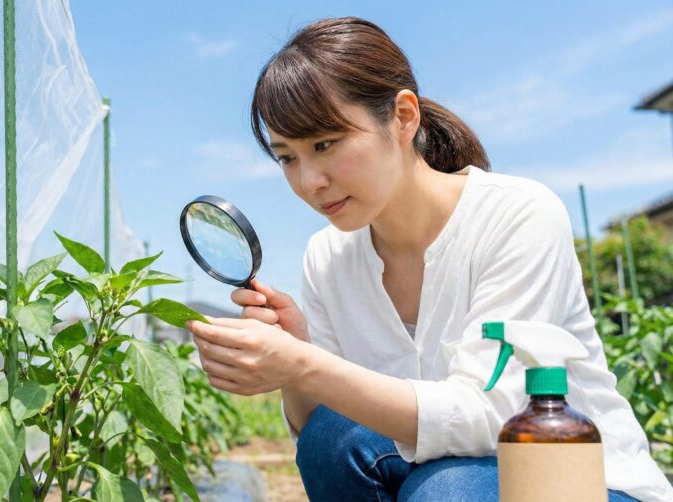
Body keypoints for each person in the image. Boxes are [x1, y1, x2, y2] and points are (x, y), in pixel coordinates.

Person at [183, 16, 672, 502]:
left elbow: (492, 416)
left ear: (403, 117)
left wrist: (306, 365)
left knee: (444, 490)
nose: (310, 181)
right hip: (440, 479)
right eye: (287, 157)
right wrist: (296, 366)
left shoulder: (517, 215)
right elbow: (328, 441)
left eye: (325, 144)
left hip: (583, 481)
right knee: (333, 438)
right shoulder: (328, 256)